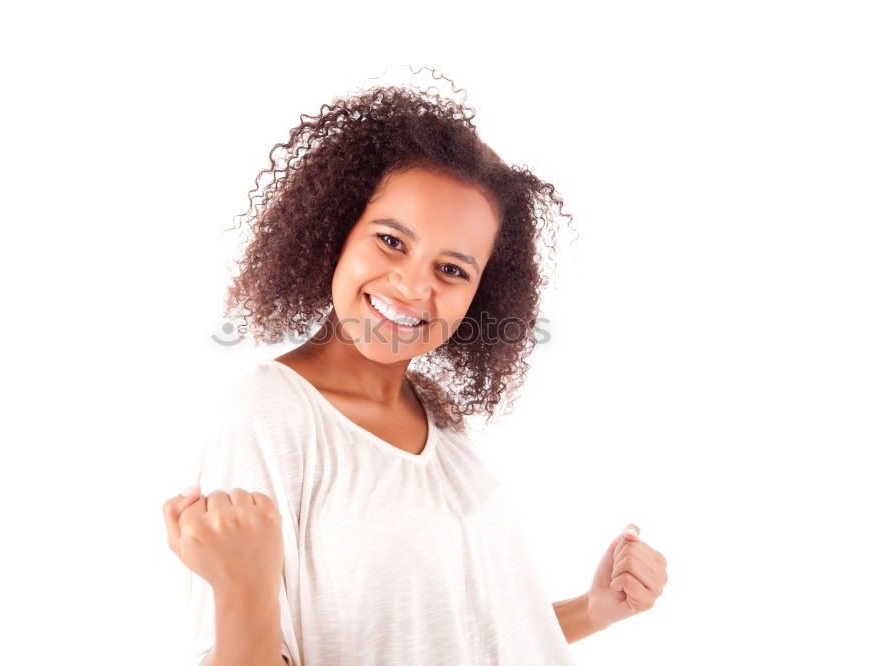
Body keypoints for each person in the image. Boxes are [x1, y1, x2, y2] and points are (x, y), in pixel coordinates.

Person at [162, 73, 668, 665]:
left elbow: (451, 631)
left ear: (482, 292)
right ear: (336, 230)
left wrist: (593, 609)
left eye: (452, 270)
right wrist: (242, 592)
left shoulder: (441, 424)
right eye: (391, 241)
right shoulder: (272, 415)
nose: (411, 285)